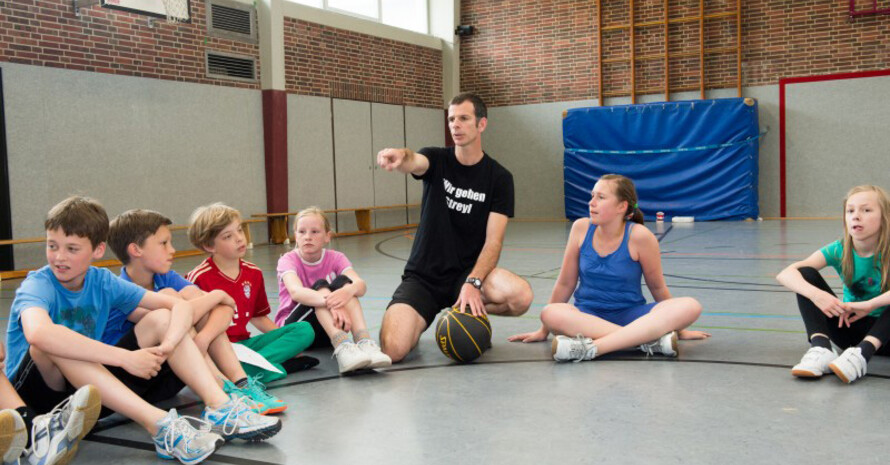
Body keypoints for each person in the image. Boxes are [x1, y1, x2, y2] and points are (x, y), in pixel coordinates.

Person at [8, 196, 279, 464]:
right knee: (56, 341)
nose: (58, 257)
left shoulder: (102, 281)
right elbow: (39, 334)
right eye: (52, 246)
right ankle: (160, 426)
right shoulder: (38, 284)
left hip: (87, 393)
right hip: (38, 396)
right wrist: (126, 358)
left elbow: (178, 308)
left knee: (161, 317)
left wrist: (169, 344)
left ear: (98, 250)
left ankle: (220, 407)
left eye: (71, 248)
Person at [376, 92, 533, 362]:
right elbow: (415, 160)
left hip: (466, 275)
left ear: (481, 124)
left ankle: (466, 311)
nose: (455, 125)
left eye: (463, 118)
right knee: (394, 349)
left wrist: (473, 282)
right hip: (423, 277)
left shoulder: (499, 178)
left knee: (520, 296)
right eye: (451, 119)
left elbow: (493, 241)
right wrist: (401, 156)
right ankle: (422, 318)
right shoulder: (436, 159)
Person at [107, 208, 289, 414]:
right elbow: (181, 314)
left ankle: (241, 384)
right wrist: (218, 294)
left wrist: (203, 338)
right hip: (131, 381)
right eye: (164, 243)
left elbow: (223, 308)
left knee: (193, 304)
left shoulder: (165, 277)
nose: (172, 249)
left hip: (170, 373)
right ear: (136, 250)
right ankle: (222, 388)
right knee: (173, 301)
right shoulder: (121, 290)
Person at [508, 174, 707, 362]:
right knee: (550, 312)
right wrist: (544, 330)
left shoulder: (640, 236)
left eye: (600, 197)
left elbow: (657, 288)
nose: (591, 202)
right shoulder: (580, 228)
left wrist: (680, 330)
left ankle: (593, 348)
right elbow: (565, 282)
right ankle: (646, 341)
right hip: (587, 318)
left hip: (632, 315)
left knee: (690, 305)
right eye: (592, 196)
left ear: (622, 206)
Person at [186, 203, 315, 382]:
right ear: (209, 246)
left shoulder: (253, 273)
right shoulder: (197, 278)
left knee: (304, 330)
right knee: (215, 367)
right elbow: (190, 326)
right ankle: (269, 368)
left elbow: (258, 317)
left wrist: (286, 341)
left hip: (247, 346)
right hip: (218, 350)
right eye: (228, 236)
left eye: (240, 230)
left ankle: (250, 371)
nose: (239, 238)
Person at [777, 185, 890, 383]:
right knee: (804, 274)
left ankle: (863, 354)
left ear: (884, 217)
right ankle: (821, 348)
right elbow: (786, 274)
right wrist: (817, 295)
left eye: (866, 210)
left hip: (886, 336)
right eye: (850, 210)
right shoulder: (840, 249)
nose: (856, 216)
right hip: (849, 333)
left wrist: (870, 305)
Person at [275, 207, 391, 373]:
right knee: (321, 286)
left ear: (327, 236)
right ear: (295, 236)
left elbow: (361, 285)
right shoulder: (288, 260)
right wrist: (332, 302)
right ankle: (343, 346)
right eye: (302, 231)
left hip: (326, 330)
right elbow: (296, 292)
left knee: (346, 284)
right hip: (296, 330)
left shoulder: (336, 257)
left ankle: (364, 342)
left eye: (315, 231)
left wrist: (348, 291)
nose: (307, 236)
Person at [0, 337, 100, 465]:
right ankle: (35, 435)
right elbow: (37, 333)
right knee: (48, 343)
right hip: (24, 383)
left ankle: (36, 435)